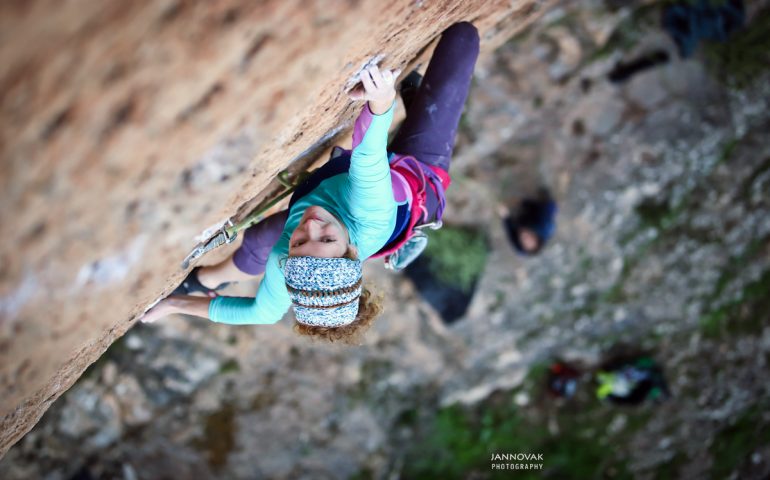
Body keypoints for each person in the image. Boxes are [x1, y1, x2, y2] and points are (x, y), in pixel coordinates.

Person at [141, 22, 481, 344]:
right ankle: (413, 101)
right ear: (352, 251)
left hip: (346, 183)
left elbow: (262, 313)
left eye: (300, 242)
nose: (312, 225)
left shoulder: (289, 261)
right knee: (462, 39)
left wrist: (174, 305)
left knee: (262, 237)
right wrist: (380, 101)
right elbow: (367, 154)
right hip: (417, 178)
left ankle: (206, 279)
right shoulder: (369, 212)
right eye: (327, 238)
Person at [501, 187, 557, 256]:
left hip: (526, 221)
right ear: (536, 235)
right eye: (530, 237)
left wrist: (505, 216)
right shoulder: (545, 227)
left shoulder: (517, 246)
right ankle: (544, 198)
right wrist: (525, 202)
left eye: (525, 241)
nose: (525, 236)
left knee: (517, 220)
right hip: (540, 214)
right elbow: (537, 208)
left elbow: (509, 230)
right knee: (551, 207)